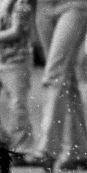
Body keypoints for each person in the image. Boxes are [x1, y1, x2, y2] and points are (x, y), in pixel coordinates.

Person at [21, 0, 87, 172]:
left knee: (54, 73)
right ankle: (79, 152)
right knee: (65, 77)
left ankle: (47, 148)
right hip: (43, 8)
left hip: (73, 5)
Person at [0, 0, 36, 160]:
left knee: (17, 104)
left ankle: (22, 147)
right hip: (2, 60)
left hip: (17, 61)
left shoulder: (20, 3)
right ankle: (6, 142)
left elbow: (17, 31)